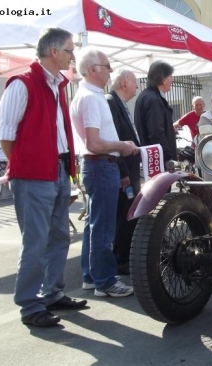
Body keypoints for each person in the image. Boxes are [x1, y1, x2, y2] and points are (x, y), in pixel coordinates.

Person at [0, 27, 84, 327]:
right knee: (35, 241)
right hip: (34, 174)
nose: (73, 55)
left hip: (57, 170)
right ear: (53, 51)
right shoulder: (23, 84)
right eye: (70, 50)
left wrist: (64, 171)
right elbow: (6, 136)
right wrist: (26, 165)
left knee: (59, 236)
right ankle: (29, 304)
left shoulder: (56, 86)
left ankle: (52, 293)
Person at [70, 47, 139, 297]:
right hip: (100, 164)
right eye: (106, 66)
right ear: (91, 70)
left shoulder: (90, 95)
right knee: (103, 227)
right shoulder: (90, 97)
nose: (110, 71)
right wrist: (122, 146)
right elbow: (94, 143)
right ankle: (105, 281)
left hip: (99, 165)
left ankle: (93, 276)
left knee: (94, 224)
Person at [105, 69, 140, 276]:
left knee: (129, 214)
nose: (137, 86)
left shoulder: (120, 104)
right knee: (123, 216)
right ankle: (120, 259)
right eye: (135, 82)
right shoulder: (111, 102)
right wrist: (123, 171)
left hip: (130, 169)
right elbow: (115, 139)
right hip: (123, 171)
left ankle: (124, 257)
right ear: (124, 83)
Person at [134, 60, 177, 168]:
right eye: (170, 76)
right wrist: (167, 158)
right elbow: (156, 132)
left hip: (153, 158)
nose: (172, 79)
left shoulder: (147, 96)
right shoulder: (153, 99)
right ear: (163, 79)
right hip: (158, 160)